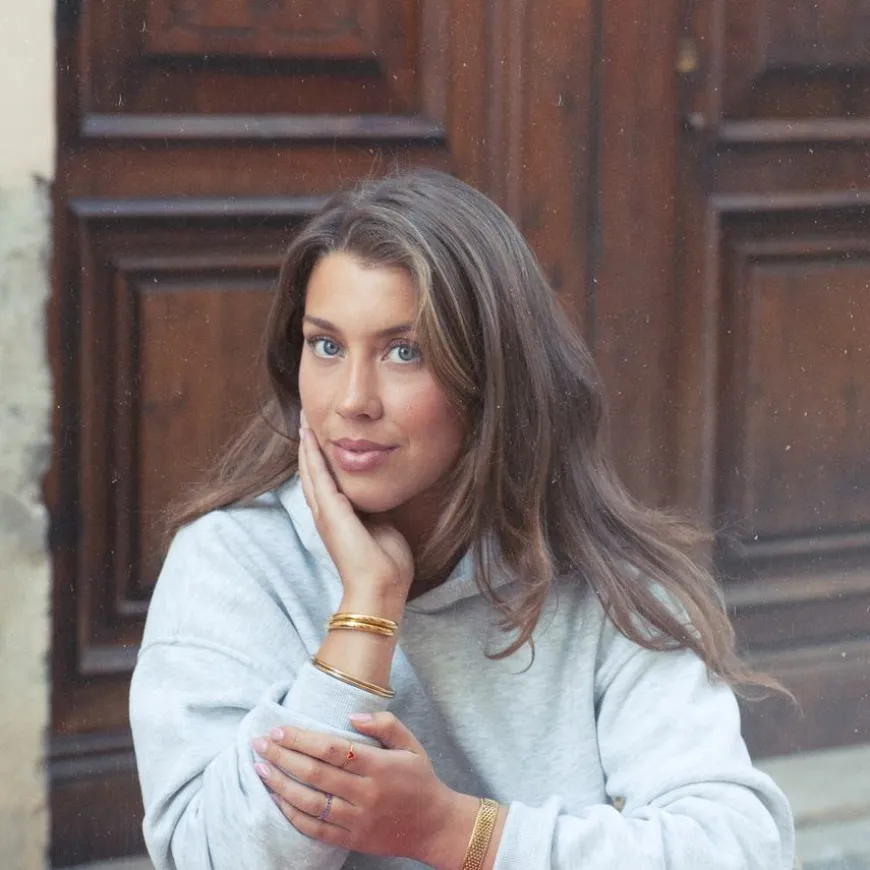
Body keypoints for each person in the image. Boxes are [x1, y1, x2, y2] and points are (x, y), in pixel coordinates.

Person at [129, 168, 796, 870]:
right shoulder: (232, 561)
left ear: (491, 375)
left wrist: (452, 832)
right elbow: (214, 858)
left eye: (404, 352)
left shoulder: (609, 583)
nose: (352, 400)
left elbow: (738, 851)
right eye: (326, 345)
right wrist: (367, 608)